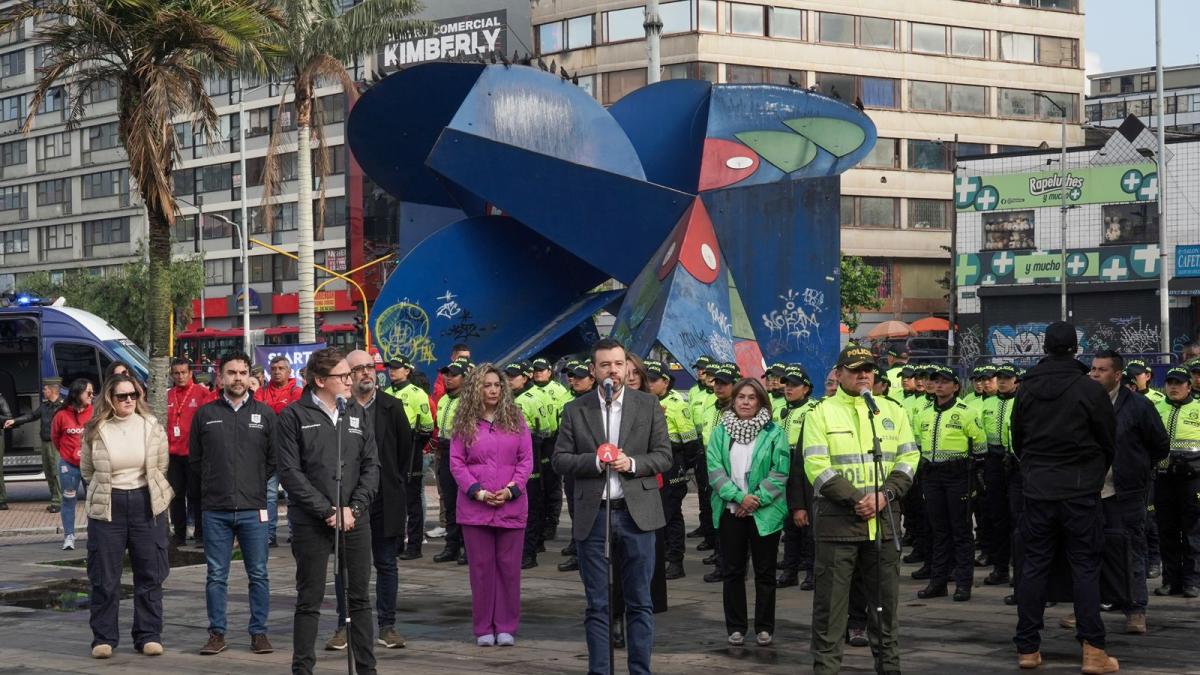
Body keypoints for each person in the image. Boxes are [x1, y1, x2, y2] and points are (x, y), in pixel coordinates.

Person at [552, 338, 673, 675]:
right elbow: (559, 459)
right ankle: (600, 670)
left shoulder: (647, 406)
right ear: (594, 371)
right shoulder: (576, 410)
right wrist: (593, 461)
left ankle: (640, 670)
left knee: (640, 602)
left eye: (618, 364)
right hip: (595, 515)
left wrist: (631, 463)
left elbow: (664, 456)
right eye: (605, 365)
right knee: (598, 603)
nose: (613, 371)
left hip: (637, 515)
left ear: (626, 368)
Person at [803, 345, 918, 675]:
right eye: (855, 369)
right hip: (838, 527)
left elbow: (909, 458)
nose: (864, 374)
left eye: (868, 368)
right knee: (830, 612)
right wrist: (856, 498)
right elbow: (816, 466)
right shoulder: (820, 413)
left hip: (883, 524)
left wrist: (886, 494)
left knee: (885, 612)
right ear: (839, 375)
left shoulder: (891, 412)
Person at [1010, 321, 1118, 673]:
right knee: (1085, 566)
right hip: (1080, 489)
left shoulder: (1026, 388)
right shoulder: (1088, 390)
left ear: (1045, 347)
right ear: (1076, 348)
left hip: (1038, 488)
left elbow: (1017, 440)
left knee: (1034, 565)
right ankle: (1093, 650)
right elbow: (1107, 439)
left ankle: (1027, 648)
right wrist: (1092, 469)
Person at [275, 347, 380, 675]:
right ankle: (303, 669)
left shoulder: (357, 413)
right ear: (320, 380)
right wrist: (327, 510)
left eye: (350, 374)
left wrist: (355, 507)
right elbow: (290, 473)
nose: (351, 380)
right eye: (342, 376)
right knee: (310, 599)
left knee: (360, 597)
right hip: (312, 520)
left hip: (354, 518)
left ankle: (367, 669)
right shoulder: (293, 416)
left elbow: (371, 466)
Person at [1050, 351, 1167, 636]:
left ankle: (1135, 609)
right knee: (1086, 551)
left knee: (1131, 549)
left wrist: (1135, 468)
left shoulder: (1138, 406)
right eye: (1092, 369)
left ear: (1117, 375)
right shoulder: (1082, 404)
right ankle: (1087, 609)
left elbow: (1159, 445)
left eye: (1102, 370)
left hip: (1125, 492)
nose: (1094, 374)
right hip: (1088, 491)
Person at [190, 352, 276, 656]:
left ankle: (259, 633)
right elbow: (196, 461)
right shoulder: (204, 414)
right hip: (216, 509)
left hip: (254, 508)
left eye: (242, 372)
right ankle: (217, 633)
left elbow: (272, 461)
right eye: (231, 372)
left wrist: (251, 484)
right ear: (220, 376)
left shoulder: (266, 415)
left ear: (249, 376)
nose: (237, 378)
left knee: (259, 573)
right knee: (216, 574)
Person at [327, 350, 414, 651]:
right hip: (349, 502)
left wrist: (390, 482)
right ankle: (344, 625)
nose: (366, 373)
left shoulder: (393, 406)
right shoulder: (339, 409)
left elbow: (405, 452)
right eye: (358, 368)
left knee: (386, 564)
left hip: (386, 499)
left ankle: (387, 626)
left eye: (369, 367)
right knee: (347, 566)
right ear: (348, 375)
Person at [82, 374, 173, 659]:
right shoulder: (96, 429)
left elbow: (161, 464)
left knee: (150, 573)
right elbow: (87, 470)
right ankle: (104, 638)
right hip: (109, 506)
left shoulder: (151, 426)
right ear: (110, 397)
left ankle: (148, 635)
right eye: (122, 396)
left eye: (133, 394)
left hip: (147, 503)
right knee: (105, 577)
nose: (129, 400)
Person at [450, 363, 534, 646]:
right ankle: (484, 627)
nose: (493, 389)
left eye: (497, 384)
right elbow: (456, 463)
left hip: (511, 506)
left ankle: (507, 625)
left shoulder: (516, 419)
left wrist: (512, 490)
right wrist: (479, 492)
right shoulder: (464, 423)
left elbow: (526, 460)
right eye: (487, 385)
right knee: (481, 570)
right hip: (476, 509)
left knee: (509, 569)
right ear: (476, 388)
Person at [707, 378, 789, 646]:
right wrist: (740, 498)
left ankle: (765, 627)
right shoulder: (720, 432)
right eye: (741, 397)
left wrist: (756, 500)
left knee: (765, 572)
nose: (745, 402)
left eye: (751, 398)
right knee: (732, 571)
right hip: (731, 511)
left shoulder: (775, 432)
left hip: (765, 512)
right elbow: (715, 470)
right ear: (734, 400)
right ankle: (736, 627)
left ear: (760, 401)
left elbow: (780, 472)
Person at [913, 366, 986, 602]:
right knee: (938, 530)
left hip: (958, 474)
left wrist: (972, 472)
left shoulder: (967, 411)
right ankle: (938, 582)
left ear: (956, 386)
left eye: (945, 382)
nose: (939, 385)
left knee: (961, 530)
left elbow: (980, 444)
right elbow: (917, 444)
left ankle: (963, 583)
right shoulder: (924, 414)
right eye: (936, 382)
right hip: (932, 475)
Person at [646, 359, 700, 580]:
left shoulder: (678, 404)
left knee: (671, 514)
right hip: (650, 465)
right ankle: (659, 556)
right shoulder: (644, 402)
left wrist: (681, 468)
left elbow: (690, 443)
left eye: (653, 380)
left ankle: (676, 560)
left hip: (672, 465)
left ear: (665, 382)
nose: (648, 384)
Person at [1153, 366, 1200, 599]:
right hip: (1163, 480)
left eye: (1179, 383)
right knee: (1167, 531)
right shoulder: (1155, 407)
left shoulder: (1199, 408)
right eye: (1170, 382)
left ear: (1188, 386)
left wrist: (1194, 464)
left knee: (1192, 531)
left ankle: (1192, 581)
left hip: (1193, 480)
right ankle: (1171, 581)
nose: (1173, 387)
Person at [380, 357, 433, 562]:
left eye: (396, 368)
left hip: (411, 446)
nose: (391, 371)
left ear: (407, 371)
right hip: (391, 447)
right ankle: (397, 542)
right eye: (390, 368)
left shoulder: (417, 393)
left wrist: (416, 444)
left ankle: (415, 545)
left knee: (412, 499)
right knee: (394, 498)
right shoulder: (386, 392)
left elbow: (427, 424)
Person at [504, 362, 550, 569]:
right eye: (508, 376)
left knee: (531, 504)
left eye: (514, 376)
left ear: (525, 377)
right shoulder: (507, 399)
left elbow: (547, 428)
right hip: (509, 457)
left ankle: (530, 551)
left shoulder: (532, 399)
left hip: (532, 453)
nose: (509, 380)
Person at [256, 355, 303, 548]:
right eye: (273, 368)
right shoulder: (261, 391)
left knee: (294, 494)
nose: (276, 371)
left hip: (290, 451)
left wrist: (271, 410)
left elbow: (289, 414)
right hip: (267, 452)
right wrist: (276, 409)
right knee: (269, 496)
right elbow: (258, 413)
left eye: (281, 368)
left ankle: (295, 532)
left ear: (289, 371)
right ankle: (269, 535)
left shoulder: (296, 390)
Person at [698, 363, 739, 583]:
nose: (719, 387)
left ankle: (730, 565)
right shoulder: (711, 406)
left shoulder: (738, 410)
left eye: (724, 383)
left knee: (731, 520)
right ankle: (721, 558)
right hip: (711, 466)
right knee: (717, 516)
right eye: (717, 382)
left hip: (732, 471)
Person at [779, 365, 818, 590]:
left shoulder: (813, 409)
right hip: (784, 465)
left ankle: (811, 572)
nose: (788, 389)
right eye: (787, 385)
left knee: (808, 522)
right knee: (788, 524)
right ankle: (789, 570)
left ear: (806, 388)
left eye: (794, 385)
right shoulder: (781, 409)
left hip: (805, 465)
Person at [979, 363, 1019, 586]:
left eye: (1007, 378)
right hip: (992, 460)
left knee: (1017, 517)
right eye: (999, 378)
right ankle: (1000, 567)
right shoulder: (988, 402)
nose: (1002, 381)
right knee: (997, 517)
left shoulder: (1020, 402)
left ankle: (1019, 570)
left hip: (1015, 462)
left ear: (1016, 380)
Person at [558, 357, 597, 573]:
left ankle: (581, 552)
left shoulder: (597, 403)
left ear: (592, 379)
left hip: (593, 464)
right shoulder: (570, 403)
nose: (575, 380)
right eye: (572, 377)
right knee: (574, 508)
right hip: (574, 463)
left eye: (580, 377)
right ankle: (577, 549)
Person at [166, 357, 210, 546]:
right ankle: (179, 534)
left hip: (194, 454)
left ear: (191, 373)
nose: (180, 376)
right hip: (173, 455)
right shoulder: (168, 395)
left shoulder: (201, 393)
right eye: (177, 373)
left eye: (184, 372)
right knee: (175, 496)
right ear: (171, 374)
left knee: (196, 495)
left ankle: (200, 533)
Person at [6, 377, 66, 513]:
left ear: (52, 391)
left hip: (56, 444)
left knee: (56, 472)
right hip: (45, 443)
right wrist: (14, 421)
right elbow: (31, 416)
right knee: (49, 472)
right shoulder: (45, 406)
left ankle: (59, 501)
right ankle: (54, 498)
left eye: (45, 389)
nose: (43, 391)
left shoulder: (63, 407)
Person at [434, 357, 473, 564]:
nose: (448, 378)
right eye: (446, 374)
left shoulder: (470, 402)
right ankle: (452, 545)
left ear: (465, 378)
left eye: (454, 374)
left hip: (464, 454)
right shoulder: (443, 400)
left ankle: (468, 546)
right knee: (449, 501)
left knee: (465, 501)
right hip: (444, 450)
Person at [49, 379, 94, 549]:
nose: (91, 395)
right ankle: (69, 536)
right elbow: (55, 438)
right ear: (76, 394)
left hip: (90, 465)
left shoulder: (94, 412)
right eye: (88, 392)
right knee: (68, 500)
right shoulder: (61, 415)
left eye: (92, 392)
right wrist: (67, 454)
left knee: (94, 500)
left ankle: (94, 535)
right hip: (69, 466)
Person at [531, 356, 570, 543]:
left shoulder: (559, 390)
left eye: (541, 370)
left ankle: (551, 522)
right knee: (536, 484)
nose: (538, 373)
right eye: (535, 370)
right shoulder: (528, 391)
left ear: (549, 372)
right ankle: (538, 521)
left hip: (552, 441)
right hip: (534, 441)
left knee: (552, 483)